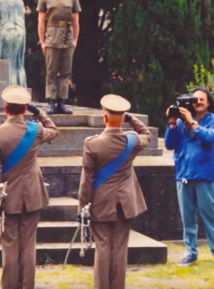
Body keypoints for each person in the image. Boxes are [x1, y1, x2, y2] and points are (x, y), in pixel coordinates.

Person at [0, 85, 59, 289]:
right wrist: (39, 112)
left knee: (9, 246)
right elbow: (54, 130)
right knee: (28, 245)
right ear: (25, 109)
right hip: (32, 194)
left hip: (8, 196)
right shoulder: (35, 131)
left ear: (5, 108)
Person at [78, 94, 151, 289]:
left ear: (104, 116)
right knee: (120, 248)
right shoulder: (133, 141)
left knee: (102, 248)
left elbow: (87, 180)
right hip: (126, 203)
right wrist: (131, 119)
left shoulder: (92, 143)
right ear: (122, 117)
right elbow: (147, 135)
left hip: (101, 202)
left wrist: (83, 206)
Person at [164, 88, 214, 266]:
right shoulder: (180, 122)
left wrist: (192, 123)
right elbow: (169, 144)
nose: (198, 102)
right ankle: (190, 253)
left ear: (208, 102)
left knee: (211, 216)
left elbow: (209, 138)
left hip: (205, 174)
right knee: (187, 218)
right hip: (183, 173)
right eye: (195, 99)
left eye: (202, 99)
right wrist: (172, 122)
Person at [37, 0, 81, 115]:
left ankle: (62, 101)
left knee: (65, 71)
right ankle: (51, 101)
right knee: (51, 70)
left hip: (67, 36)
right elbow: (41, 21)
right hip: (52, 35)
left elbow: (75, 20)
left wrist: (75, 39)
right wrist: (42, 41)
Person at [0, 0, 27, 86]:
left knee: (6, 63)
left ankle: (6, 89)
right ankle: (20, 87)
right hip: (20, 32)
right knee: (18, 64)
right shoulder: (19, 1)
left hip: (6, 32)